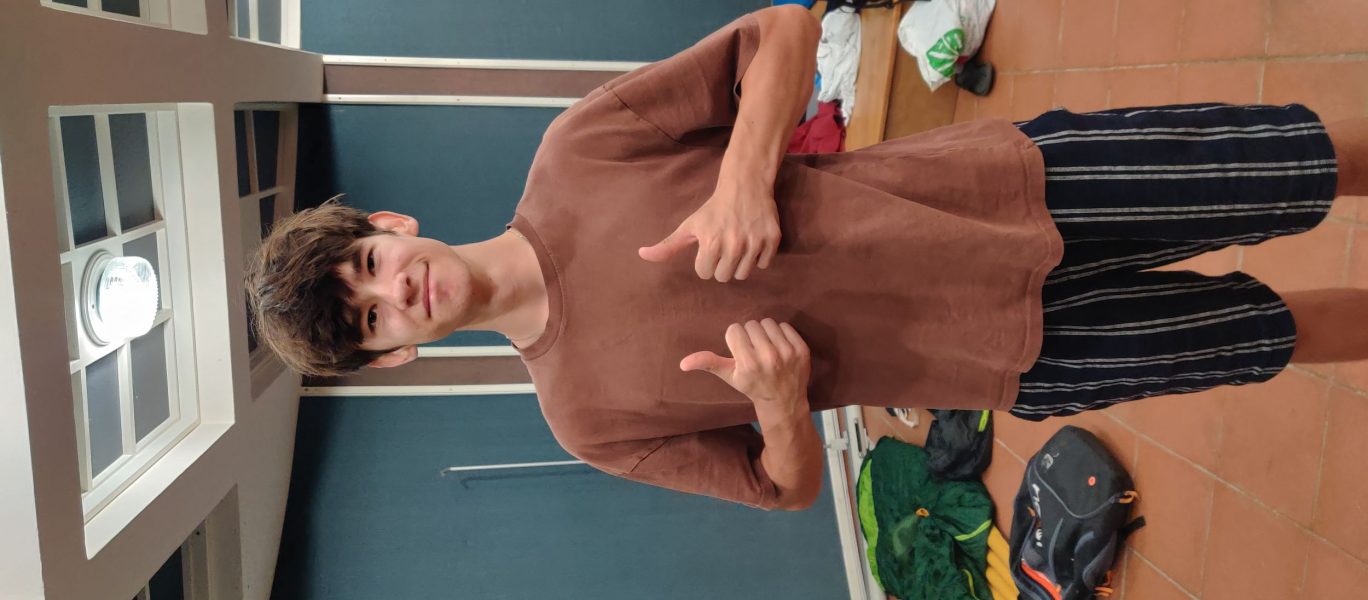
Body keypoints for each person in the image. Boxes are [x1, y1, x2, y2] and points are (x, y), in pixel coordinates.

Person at [247, 6, 1368, 510]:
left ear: (389, 227)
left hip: (1003, 189)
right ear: (394, 357)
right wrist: (782, 408)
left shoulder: (574, 151)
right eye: (373, 321)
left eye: (368, 267)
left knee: (1291, 165)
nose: (395, 293)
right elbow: (780, 491)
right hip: (1007, 358)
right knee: (1270, 334)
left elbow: (781, 30)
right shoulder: (584, 423)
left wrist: (744, 177)